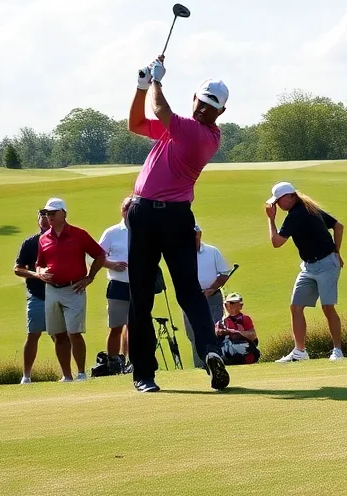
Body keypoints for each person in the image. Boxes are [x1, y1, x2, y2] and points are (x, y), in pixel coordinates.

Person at [126, 56, 231, 392]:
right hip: (153, 215)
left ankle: (145, 373)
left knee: (166, 293)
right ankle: (208, 352)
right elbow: (136, 124)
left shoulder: (197, 133)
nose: (204, 109)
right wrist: (141, 87)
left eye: (211, 106)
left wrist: (156, 81)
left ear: (220, 113)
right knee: (155, 294)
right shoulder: (181, 129)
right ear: (195, 100)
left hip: (163, 217)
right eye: (202, 102)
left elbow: (159, 110)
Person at [265, 182, 346, 362]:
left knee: (327, 307)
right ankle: (300, 352)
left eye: (279, 201)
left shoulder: (298, 214)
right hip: (309, 267)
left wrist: (270, 219)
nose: (277, 205)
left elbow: (276, 242)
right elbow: (338, 226)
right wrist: (337, 251)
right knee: (296, 307)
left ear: (290, 197)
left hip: (326, 266)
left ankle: (338, 350)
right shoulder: (309, 208)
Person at [32, 197, 107, 382]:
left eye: (52, 213)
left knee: (74, 332)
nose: (48, 216)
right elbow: (39, 264)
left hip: (74, 288)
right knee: (58, 334)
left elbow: (99, 255)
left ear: (63, 214)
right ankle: (66, 376)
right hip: (52, 290)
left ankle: (81, 373)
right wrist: (41, 273)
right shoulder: (43, 238)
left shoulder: (79, 234)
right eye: (46, 213)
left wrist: (90, 278)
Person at [183, 223, 230, 370]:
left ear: (199, 235)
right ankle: (200, 365)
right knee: (193, 333)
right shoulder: (181, 253)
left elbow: (224, 273)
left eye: (194, 235)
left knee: (213, 330)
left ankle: (216, 363)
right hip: (190, 298)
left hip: (212, 297)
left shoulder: (212, 251)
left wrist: (212, 288)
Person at [13, 211, 51, 383]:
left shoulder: (62, 240)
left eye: (48, 217)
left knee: (61, 336)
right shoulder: (30, 243)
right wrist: (35, 274)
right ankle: (26, 376)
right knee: (33, 334)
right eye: (41, 217)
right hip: (36, 295)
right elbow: (17, 268)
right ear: (38, 222)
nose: (45, 220)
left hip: (59, 293)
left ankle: (70, 374)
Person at [98, 197, 133, 374]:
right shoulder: (112, 233)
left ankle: (132, 362)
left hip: (138, 286)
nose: (129, 210)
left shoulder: (144, 230)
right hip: (118, 285)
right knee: (116, 327)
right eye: (127, 207)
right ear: (122, 210)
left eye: (132, 207)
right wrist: (112, 264)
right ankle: (113, 363)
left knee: (134, 325)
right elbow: (95, 257)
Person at [214, 292, 260, 365]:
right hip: (227, 354)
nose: (234, 306)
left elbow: (253, 335)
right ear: (226, 305)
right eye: (231, 303)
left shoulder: (244, 319)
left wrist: (234, 332)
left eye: (237, 303)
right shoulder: (220, 323)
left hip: (244, 354)